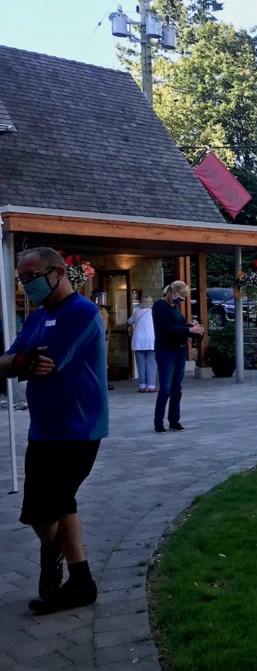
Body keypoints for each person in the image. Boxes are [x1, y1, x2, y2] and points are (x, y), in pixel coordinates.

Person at [0, 247, 107, 614]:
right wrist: (18, 362)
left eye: (32, 276)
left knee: (53, 507)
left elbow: (45, 362)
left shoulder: (82, 312)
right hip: (43, 429)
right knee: (43, 512)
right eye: (22, 279)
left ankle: (78, 579)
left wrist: (20, 363)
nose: (26, 284)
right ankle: (68, 568)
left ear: (59, 273)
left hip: (78, 428)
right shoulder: (35, 317)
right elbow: (10, 362)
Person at [152, 281, 204, 432]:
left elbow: (179, 325)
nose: (182, 300)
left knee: (177, 388)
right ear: (173, 292)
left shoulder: (176, 307)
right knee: (166, 388)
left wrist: (192, 327)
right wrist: (189, 331)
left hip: (179, 349)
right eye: (182, 296)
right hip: (166, 350)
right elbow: (166, 327)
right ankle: (158, 422)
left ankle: (174, 420)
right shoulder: (159, 306)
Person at [128, 295, 157, 392]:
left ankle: (142, 385)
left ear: (141, 303)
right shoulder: (154, 313)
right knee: (151, 364)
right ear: (151, 303)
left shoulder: (137, 313)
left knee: (141, 365)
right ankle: (151, 386)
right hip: (151, 342)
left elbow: (129, 321)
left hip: (138, 342)